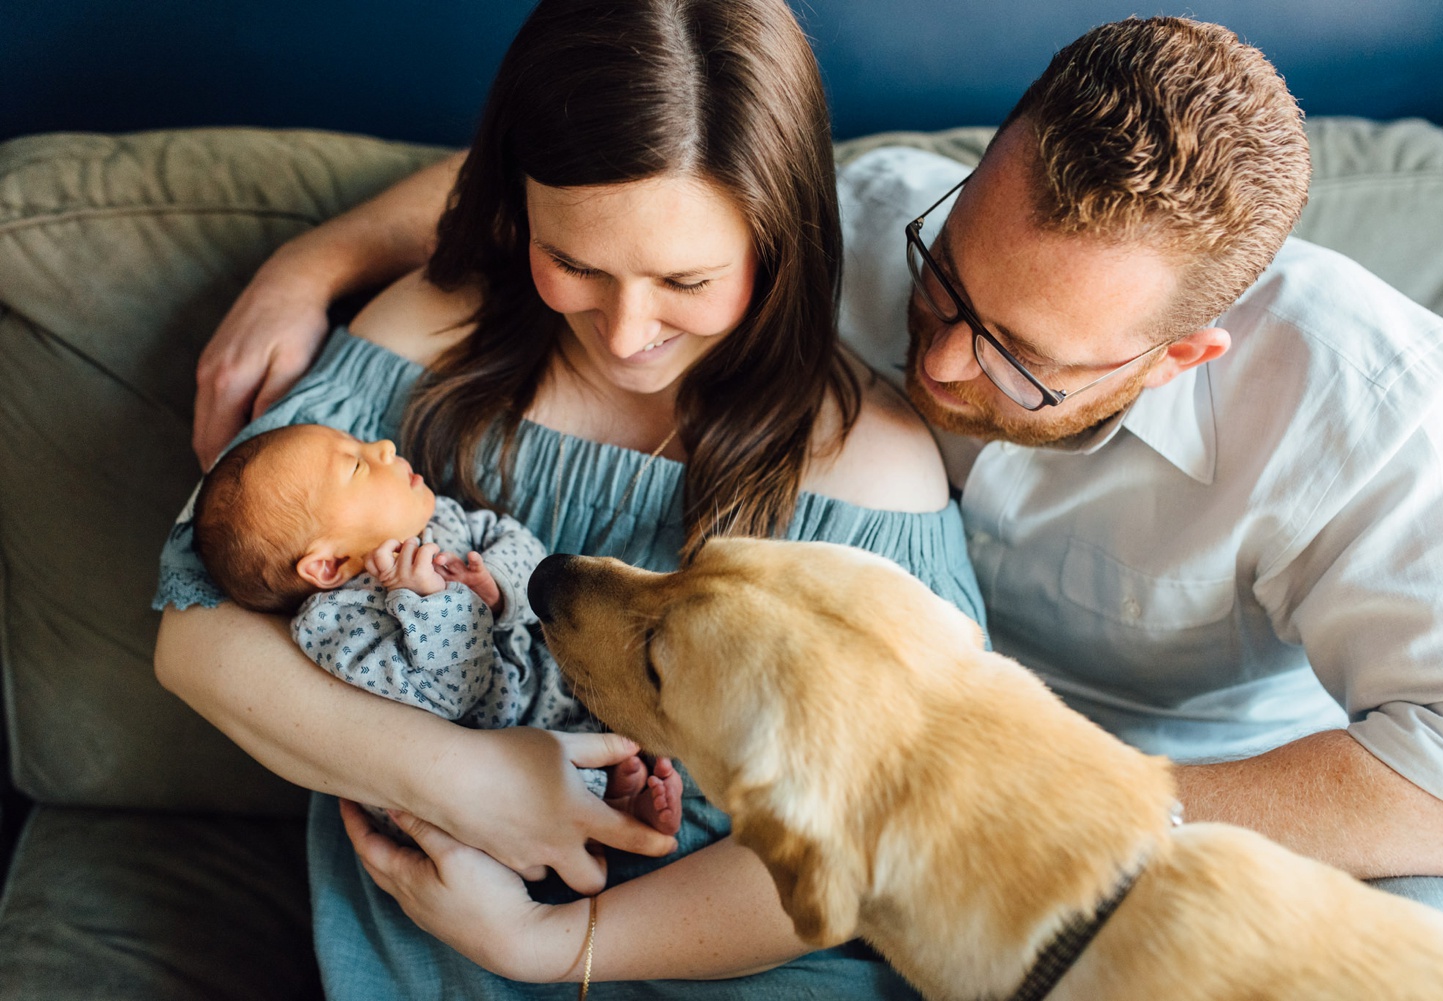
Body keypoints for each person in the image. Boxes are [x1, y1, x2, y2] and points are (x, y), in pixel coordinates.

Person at [184, 11, 1443, 947]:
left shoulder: (1351, 419)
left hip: (1186, 799)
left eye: (1018, 360)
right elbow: (620, 188)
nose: (935, 357)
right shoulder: (879, 217)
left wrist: (1032, 793)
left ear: (1183, 355)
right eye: (944, 287)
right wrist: (313, 265)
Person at [155, 0, 981, 997]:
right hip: (437, 924)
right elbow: (196, 629)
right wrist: (469, 780)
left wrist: (557, 940)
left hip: (726, 950)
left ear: (781, 237)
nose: (628, 332)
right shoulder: (432, 337)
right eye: (577, 263)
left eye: (687, 277)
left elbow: (878, 831)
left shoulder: (870, 468)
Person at [190, 423, 683, 835]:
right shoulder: (335, 627)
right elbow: (451, 696)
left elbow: (517, 541)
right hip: (493, 747)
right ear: (329, 564)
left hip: (546, 682)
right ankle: (613, 812)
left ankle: (618, 791)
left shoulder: (439, 517)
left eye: (361, 444)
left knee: (625, 709)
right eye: (357, 465)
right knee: (542, 790)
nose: (382, 447)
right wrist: (431, 602)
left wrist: (497, 585)